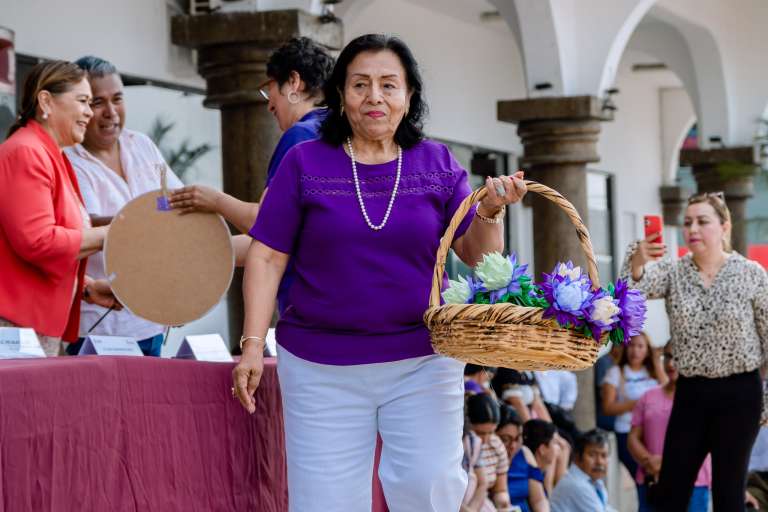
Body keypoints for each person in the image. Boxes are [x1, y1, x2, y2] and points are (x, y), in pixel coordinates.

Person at [231, 33, 527, 511]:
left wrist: (491, 211)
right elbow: (266, 257)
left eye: (389, 85)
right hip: (319, 365)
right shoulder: (305, 162)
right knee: (325, 502)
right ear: (340, 95)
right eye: (360, 84)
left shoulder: (437, 164)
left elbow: (479, 256)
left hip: (423, 359)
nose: (375, 97)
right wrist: (250, 346)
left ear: (409, 96)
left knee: (429, 487)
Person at [623, 191, 768, 510]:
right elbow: (630, 293)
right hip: (691, 390)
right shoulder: (673, 271)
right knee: (670, 492)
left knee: (728, 493)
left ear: (724, 226)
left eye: (702, 221)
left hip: (740, 392)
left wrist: (766, 399)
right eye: (688, 222)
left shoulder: (752, 274)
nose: (693, 229)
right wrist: (638, 259)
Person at [169, 37, 335, 315]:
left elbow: (264, 224)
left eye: (269, 88)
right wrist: (195, 254)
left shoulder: (301, 136)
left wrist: (214, 200)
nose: (269, 104)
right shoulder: (340, 135)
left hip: (309, 308)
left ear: (293, 82)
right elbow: (279, 240)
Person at [62, 56, 184, 356]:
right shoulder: (68, 159)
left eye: (117, 99)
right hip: (98, 325)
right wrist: (151, 217)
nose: (111, 112)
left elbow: (178, 201)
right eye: (97, 102)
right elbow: (87, 223)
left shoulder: (140, 144)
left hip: (151, 319)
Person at [0, 60, 117, 356]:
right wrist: (113, 233)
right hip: (13, 328)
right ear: (46, 101)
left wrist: (86, 287)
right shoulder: (26, 151)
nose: (90, 112)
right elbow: (38, 241)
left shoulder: (48, 153)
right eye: (83, 101)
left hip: (29, 327)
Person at [628, 346, 712, 511]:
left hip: (694, 484)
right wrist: (648, 461)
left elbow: (709, 440)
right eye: (667, 356)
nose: (671, 363)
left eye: (677, 357)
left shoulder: (703, 398)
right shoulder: (648, 397)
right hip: (652, 481)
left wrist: (666, 464)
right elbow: (633, 437)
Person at [600, 331, 664, 479]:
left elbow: (668, 390)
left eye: (640, 346)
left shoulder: (652, 372)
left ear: (647, 350)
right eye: (631, 345)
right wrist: (639, 403)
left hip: (653, 431)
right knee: (642, 475)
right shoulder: (616, 372)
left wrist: (657, 362)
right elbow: (607, 408)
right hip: (627, 430)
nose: (635, 350)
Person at [550, 429, 616, 512]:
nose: (599, 462)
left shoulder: (594, 481)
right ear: (577, 457)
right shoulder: (577, 485)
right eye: (592, 455)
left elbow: (605, 508)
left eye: (604, 456)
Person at [468, 393, 514, 511]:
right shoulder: (464, 445)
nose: (485, 440)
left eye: (491, 432)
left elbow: (500, 489)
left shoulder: (496, 445)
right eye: (480, 433)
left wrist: (502, 502)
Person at [497, 409, 549, 512]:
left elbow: (539, 500)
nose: (513, 446)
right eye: (505, 439)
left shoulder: (524, 453)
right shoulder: (488, 460)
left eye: (517, 439)